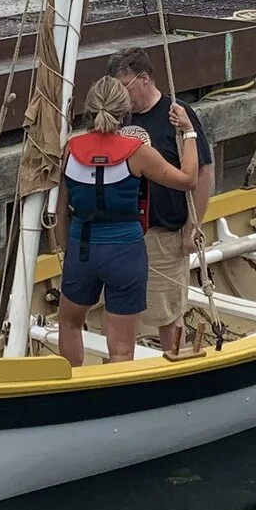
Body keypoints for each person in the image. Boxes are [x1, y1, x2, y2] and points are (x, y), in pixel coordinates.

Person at [58, 76, 198, 365]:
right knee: (121, 350)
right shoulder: (137, 152)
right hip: (125, 251)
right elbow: (188, 179)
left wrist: (65, 249)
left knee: (70, 325)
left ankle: (74, 382)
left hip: (82, 248)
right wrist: (189, 132)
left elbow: (60, 212)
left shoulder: (70, 150)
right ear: (125, 112)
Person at [108, 48, 213, 355]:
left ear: (143, 79)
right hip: (121, 231)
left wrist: (193, 226)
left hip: (163, 232)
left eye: (124, 86)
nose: (120, 95)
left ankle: (175, 363)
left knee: (168, 311)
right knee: (117, 309)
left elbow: (203, 171)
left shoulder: (177, 114)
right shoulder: (116, 115)